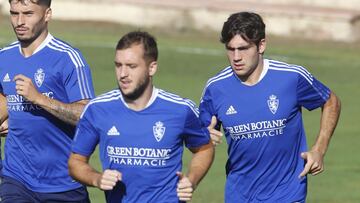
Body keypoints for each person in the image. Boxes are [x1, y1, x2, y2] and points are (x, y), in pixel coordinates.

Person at [199, 11, 341, 202]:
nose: (236, 57)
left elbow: (331, 101)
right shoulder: (215, 88)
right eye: (230, 49)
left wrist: (319, 149)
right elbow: (199, 138)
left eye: (243, 48)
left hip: (287, 193)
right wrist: (201, 137)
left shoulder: (290, 77)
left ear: (261, 45)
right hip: (239, 195)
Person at [68, 31, 214, 203]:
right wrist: (97, 179)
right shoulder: (98, 109)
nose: (123, 74)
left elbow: (204, 148)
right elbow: (75, 162)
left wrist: (191, 179)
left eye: (131, 66)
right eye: (118, 65)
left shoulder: (180, 110)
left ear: (152, 68)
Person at [0, 0, 95, 202]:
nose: (19, 21)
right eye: (14, 13)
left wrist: (38, 99)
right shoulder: (4, 57)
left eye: (28, 13)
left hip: (63, 184)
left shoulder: (68, 58)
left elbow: (88, 116)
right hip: (16, 179)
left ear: (47, 14)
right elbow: (4, 98)